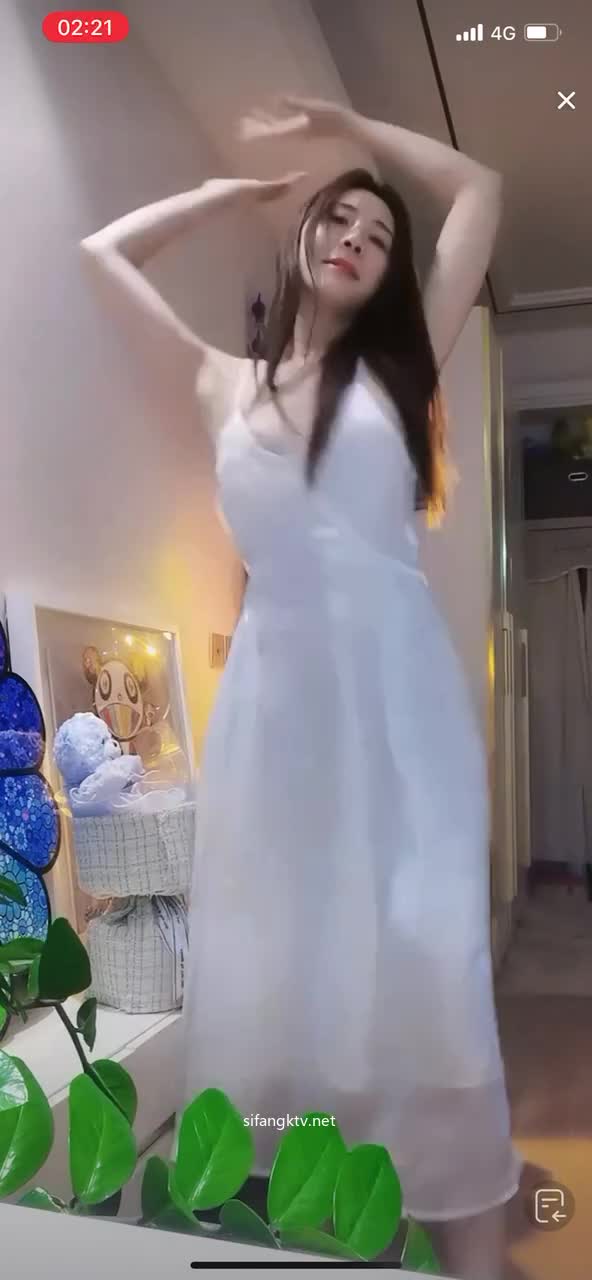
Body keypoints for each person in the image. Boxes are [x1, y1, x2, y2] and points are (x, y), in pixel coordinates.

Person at [80, 95, 521, 1279]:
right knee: (287, 964)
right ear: (304, 240)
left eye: (378, 236)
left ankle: (470, 1241)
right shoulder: (220, 382)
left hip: (398, 700)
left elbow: (479, 190)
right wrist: (224, 194)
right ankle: (319, 1222)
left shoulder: (404, 365)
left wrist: (346, 121)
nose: (357, 241)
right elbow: (102, 253)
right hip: (277, 709)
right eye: (340, 221)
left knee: (425, 968)